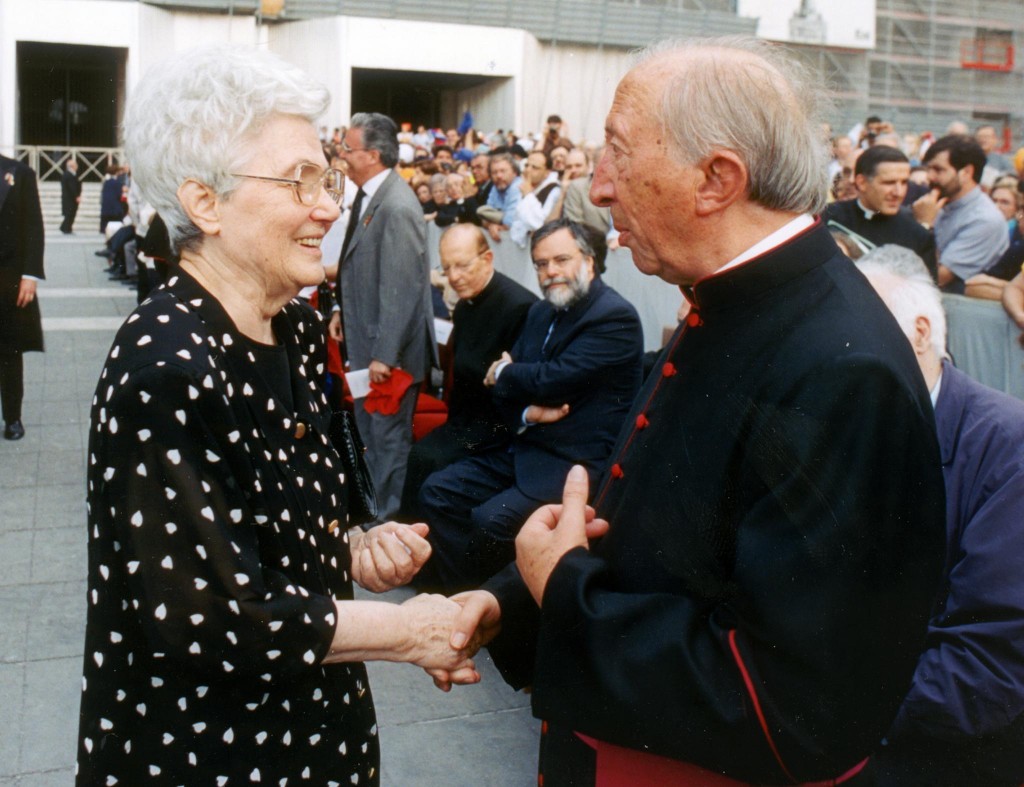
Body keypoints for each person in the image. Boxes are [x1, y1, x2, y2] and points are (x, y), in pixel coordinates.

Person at [439, 36, 946, 785]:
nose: (601, 187)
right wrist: (508, 598)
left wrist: (565, 589)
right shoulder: (731, 301)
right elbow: (647, 529)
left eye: (618, 152)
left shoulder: (844, 372)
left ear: (717, 180)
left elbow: (790, 704)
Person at [76, 45, 478, 786]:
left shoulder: (291, 324)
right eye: (301, 181)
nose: (327, 205)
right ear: (205, 204)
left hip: (317, 733)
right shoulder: (164, 367)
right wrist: (409, 630)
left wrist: (358, 536)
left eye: (326, 176)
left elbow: (311, 498)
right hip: (209, 754)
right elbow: (211, 613)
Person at [855, 246, 1024, 785]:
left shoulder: (1007, 447)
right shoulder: (838, 420)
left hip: (934, 748)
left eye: (853, 331)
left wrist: (828, 711)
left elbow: (987, 666)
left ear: (921, 332)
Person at [416, 219, 643, 592]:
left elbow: (551, 380)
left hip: (571, 464)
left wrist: (507, 372)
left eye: (561, 259)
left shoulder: (613, 316)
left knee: (492, 520)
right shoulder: (541, 312)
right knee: (438, 491)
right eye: (540, 264)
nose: (550, 271)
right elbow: (506, 393)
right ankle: (463, 597)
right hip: (524, 445)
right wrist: (526, 410)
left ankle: (493, 610)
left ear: (589, 261)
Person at [328, 112, 437, 522]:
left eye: (348, 149)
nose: (341, 155)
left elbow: (402, 290)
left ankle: (386, 520)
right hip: (369, 344)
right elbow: (357, 265)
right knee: (372, 432)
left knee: (387, 437)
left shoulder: (397, 206)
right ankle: (374, 509)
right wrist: (340, 308)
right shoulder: (372, 196)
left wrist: (385, 356)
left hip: (387, 355)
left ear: (372, 155)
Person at [399, 224, 536, 520]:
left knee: (430, 461)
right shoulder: (463, 307)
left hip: (499, 429)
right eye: (446, 268)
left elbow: (518, 391)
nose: (454, 277)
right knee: (421, 455)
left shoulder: (521, 307)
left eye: (462, 266)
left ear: (487, 259)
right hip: (465, 422)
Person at [914, 134, 1008, 292]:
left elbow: (937, 277)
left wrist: (924, 226)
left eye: (938, 169)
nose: (929, 177)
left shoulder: (985, 220)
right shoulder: (942, 201)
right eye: (928, 169)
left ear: (966, 172)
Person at [823, 145, 936, 275]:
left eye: (904, 182)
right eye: (889, 183)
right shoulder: (829, 214)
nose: (898, 192)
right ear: (862, 182)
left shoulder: (919, 236)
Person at [0, 153, 44, 441]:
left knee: (9, 353)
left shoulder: (19, 172)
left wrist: (30, 274)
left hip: (9, 278)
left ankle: (12, 418)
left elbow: (34, 227)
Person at [510, 150, 562, 247]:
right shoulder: (524, 185)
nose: (528, 170)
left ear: (547, 172)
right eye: (527, 165)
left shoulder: (554, 191)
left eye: (535, 168)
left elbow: (538, 224)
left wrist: (528, 195)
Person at [477, 151, 521, 242]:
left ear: (515, 172)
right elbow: (484, 219)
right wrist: (491, 225)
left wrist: (498, 225)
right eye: (494, 172)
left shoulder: (518, 187)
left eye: (503, 171)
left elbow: (510, 223)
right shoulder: (495, 188)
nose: (499, 176)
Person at [60, 157, 81, 234]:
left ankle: (67, 227)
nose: (77, 166)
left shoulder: (71, 174)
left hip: (70, 198)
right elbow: (72, 187)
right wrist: (76, 196)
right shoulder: (68, 175)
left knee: (71, 213)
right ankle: (65, 228)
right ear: (72, 166)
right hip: (69, 199)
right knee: (69, 213)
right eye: (76, 165)